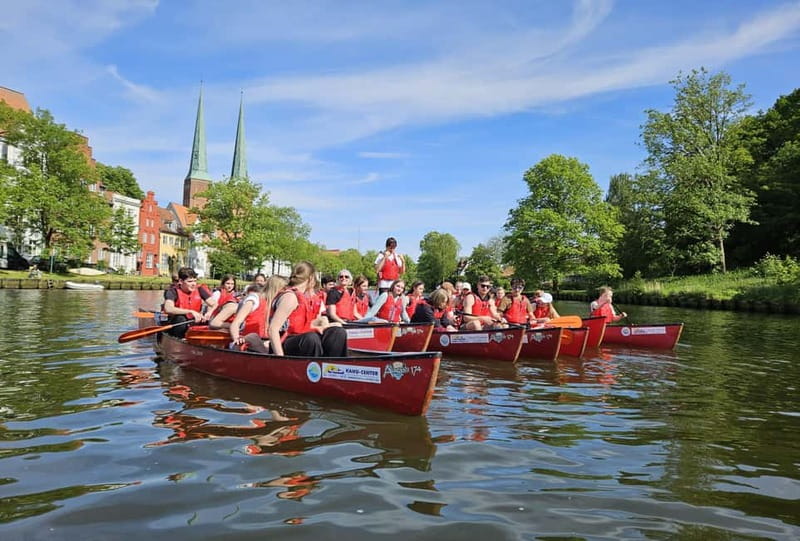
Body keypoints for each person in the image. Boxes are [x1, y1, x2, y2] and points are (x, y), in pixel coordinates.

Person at [268, 261, 348, 357]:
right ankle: (314, 369)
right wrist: (280, 358)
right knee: (311, 338)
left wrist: (324, 326)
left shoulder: (303, 296)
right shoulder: (290, 297)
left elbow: (300, 325)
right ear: (311, 278)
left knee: (337, 332)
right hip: (284, 343)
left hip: (302, 337)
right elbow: (273, 329)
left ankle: (332, 367)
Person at [163, 267, 217, 338]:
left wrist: (209, 313)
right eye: (190, 281)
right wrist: (190, 311)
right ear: (181, 281)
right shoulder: (172, 292)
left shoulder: (200, 289)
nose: (194, 284)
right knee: (181, 318)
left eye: (195, 281)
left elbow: (214, 304)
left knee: (211, 320)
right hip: (178, 323)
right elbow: (168, 309)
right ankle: (180, 339)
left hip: (195, 321)